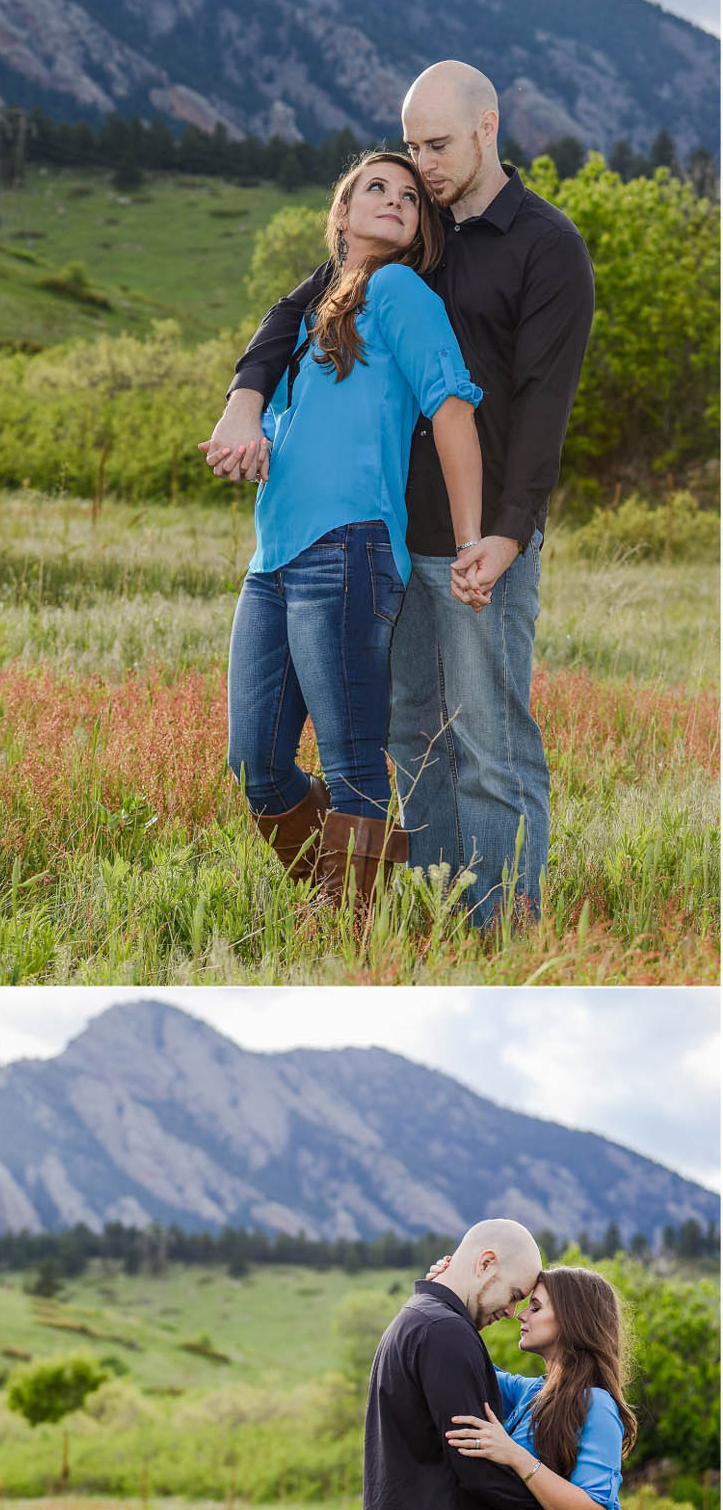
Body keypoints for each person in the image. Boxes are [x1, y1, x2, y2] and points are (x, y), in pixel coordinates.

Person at [203, 62, 595, 925]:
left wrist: (503, 531)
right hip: (381, 534)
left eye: (437, 145)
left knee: (488, 741)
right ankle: (427, 908)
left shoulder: (544, 245)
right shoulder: (410, 234)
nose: (422, 165)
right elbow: (289, 318)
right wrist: (244, 405)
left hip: (475, 537)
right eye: (411, 146)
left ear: (488, 126)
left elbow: (540, 407)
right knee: (411, 739)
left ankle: (502, 926)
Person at [214, 148, 484, 916]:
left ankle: (347, 924)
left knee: (354, 761)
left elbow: (452, 409)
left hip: (350, 549)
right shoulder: (307, 316)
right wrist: (251, 438)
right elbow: (276, 417)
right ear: (340, 212)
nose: (396, 198)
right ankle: (341, 900)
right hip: (272, 561)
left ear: (417, 228)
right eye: (376, 187)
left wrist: (469, 541)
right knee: (256, 764)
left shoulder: (399, 291)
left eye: (409, 195)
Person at [363, 1219, 574, 1510]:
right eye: (513, 1294)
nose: (512, 1312)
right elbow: (477, 1466)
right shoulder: (445, 1332)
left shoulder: (416, 1322)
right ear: (485, 1263)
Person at [444, 1262, 637, 1510]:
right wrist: (448, 1288)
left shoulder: (595, 1404)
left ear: (572, 1319)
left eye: (535, 1307)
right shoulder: (530, 1393)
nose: (520, 1315)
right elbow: (460, 1358)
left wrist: (516, 1457)